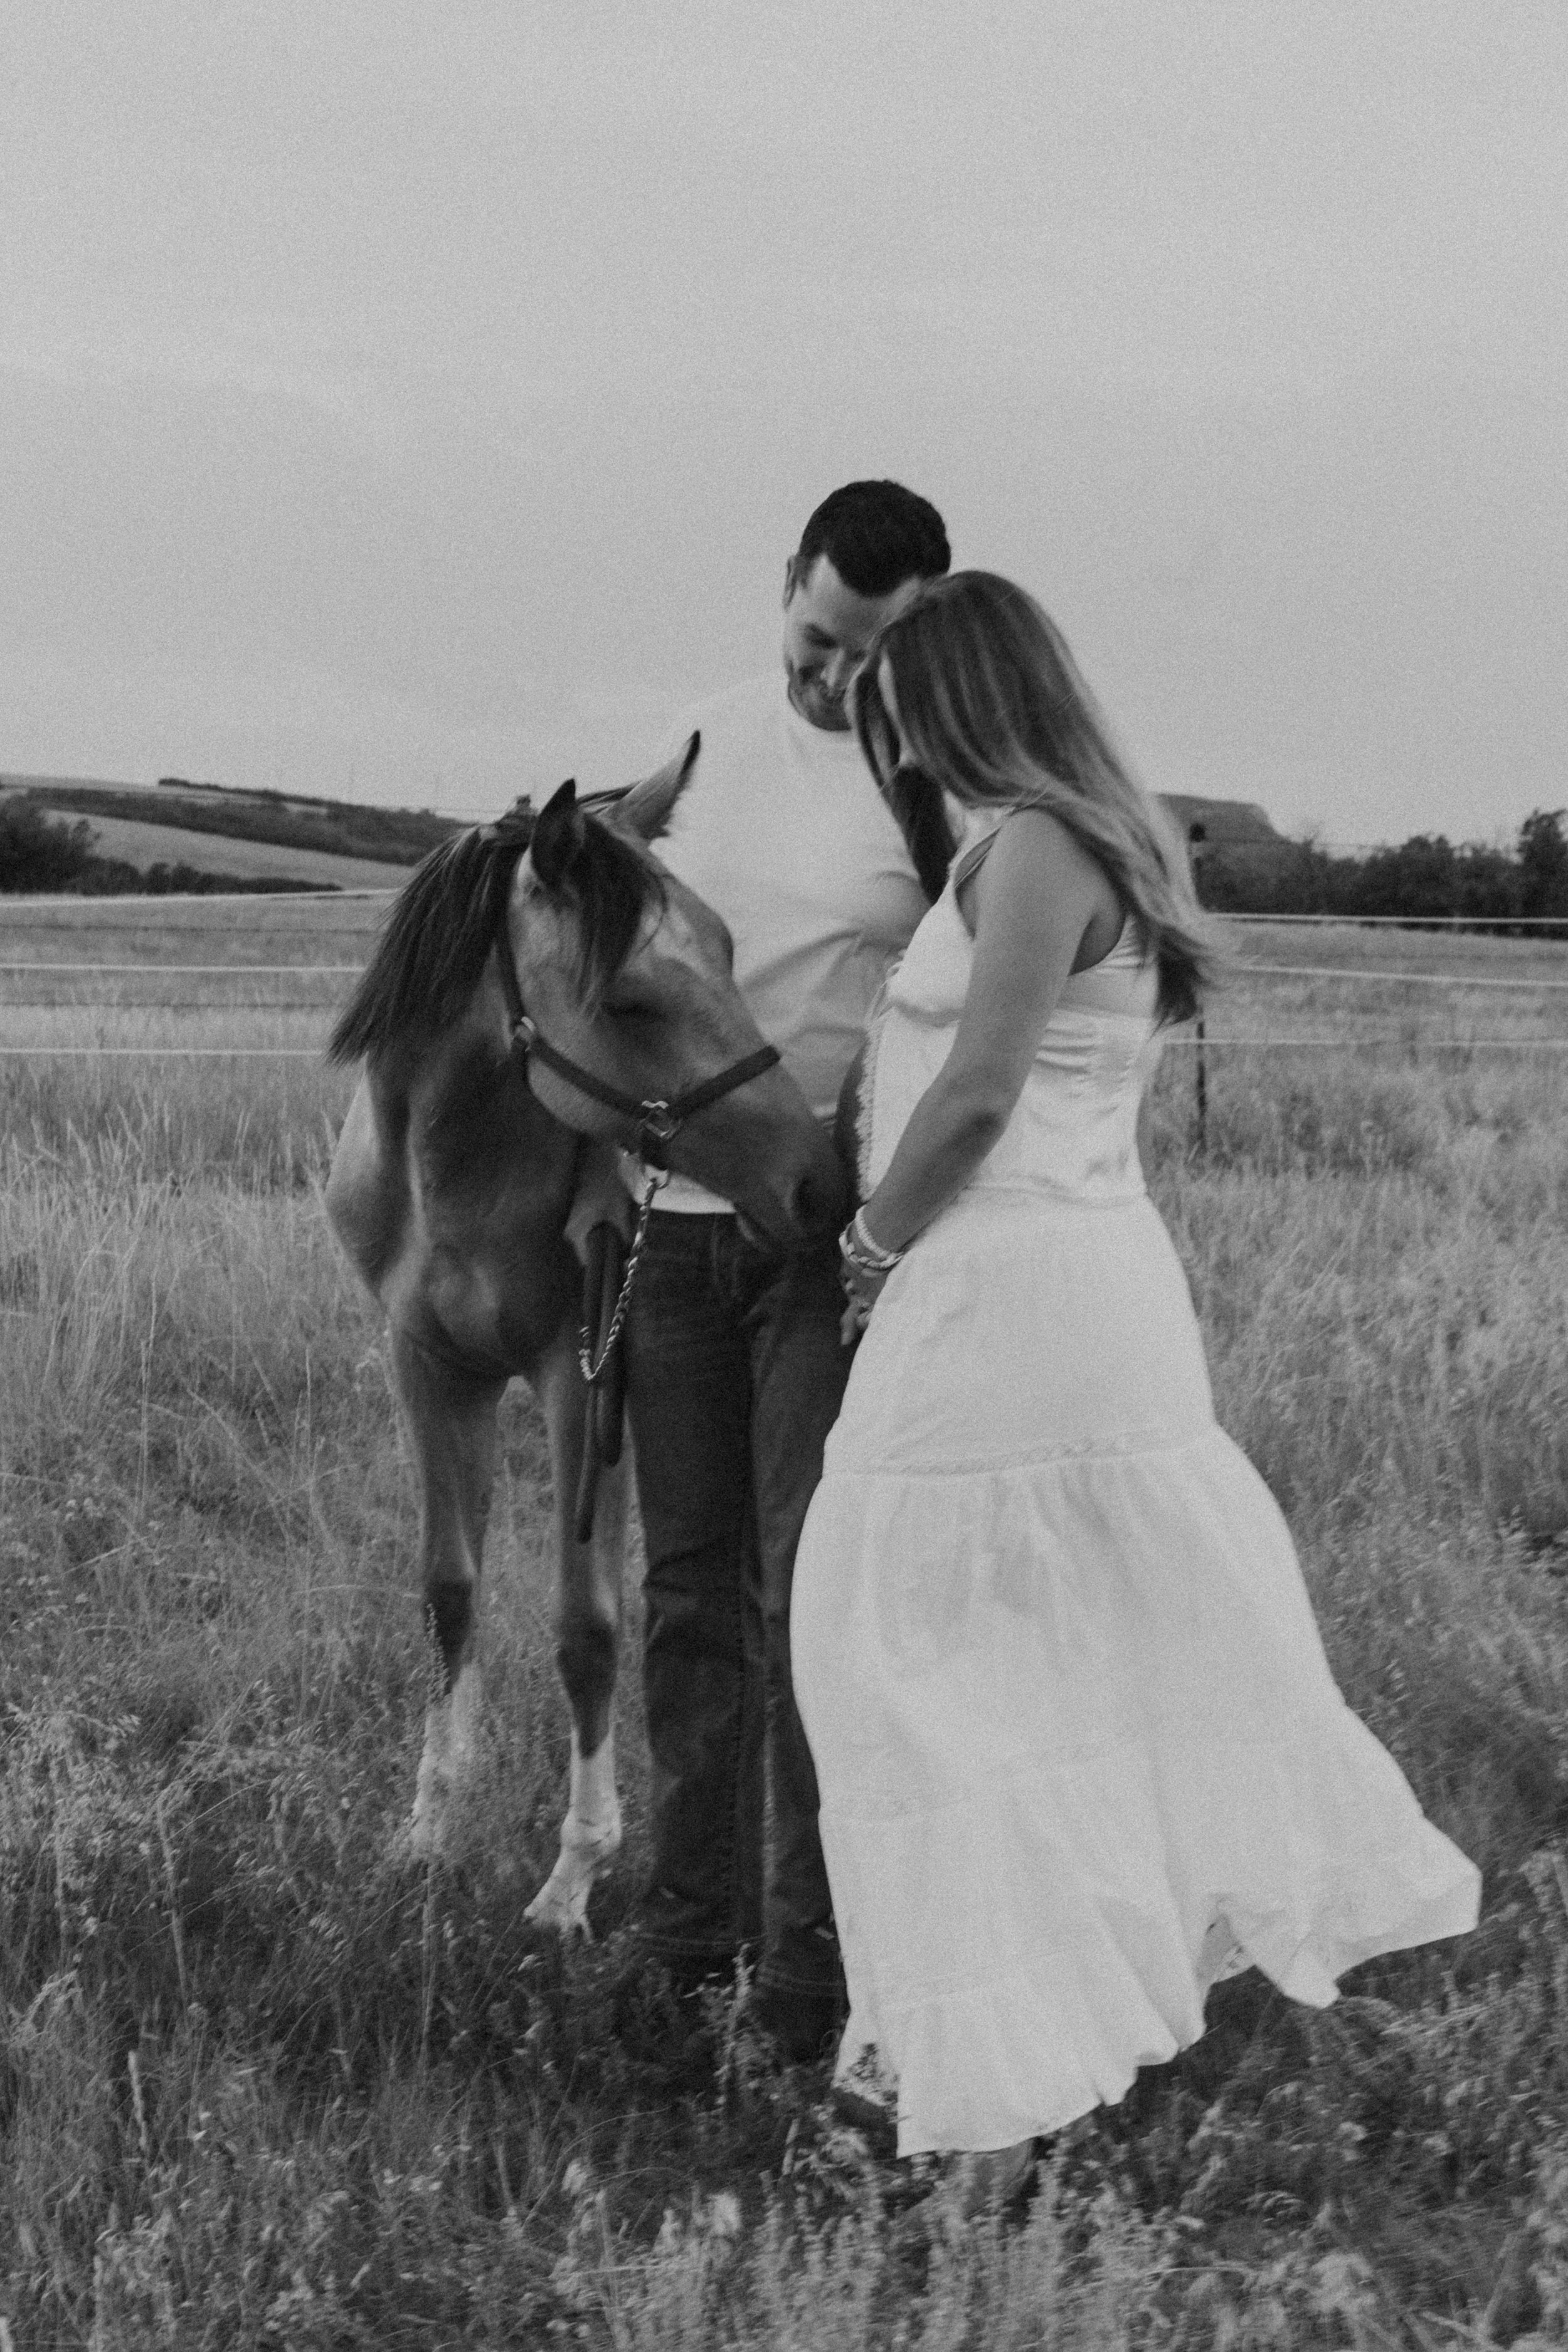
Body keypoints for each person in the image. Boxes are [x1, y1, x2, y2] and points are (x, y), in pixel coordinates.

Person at [789, 571, 1481, 2198]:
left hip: (1001, 1292)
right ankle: (966, 2069)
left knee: (895, 1660)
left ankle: (973, 2085)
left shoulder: (1032, 844)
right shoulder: (1072, 836)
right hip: (1075, 1282)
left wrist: (868, 1251)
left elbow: (973, 1094)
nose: (874, 714)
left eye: (890, 686)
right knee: (1030, 1685)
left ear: (945, 693)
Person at [617, 480, 956, 2060]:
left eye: (869, 652)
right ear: (786, 588)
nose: (832, 679)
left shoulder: (929, 786)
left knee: (801, 1598)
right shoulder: (695, 742)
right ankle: (686, 1943)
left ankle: (808, 1972)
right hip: (669, 1233)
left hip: (819, 1248)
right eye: (817, 638)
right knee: (685, 1595)